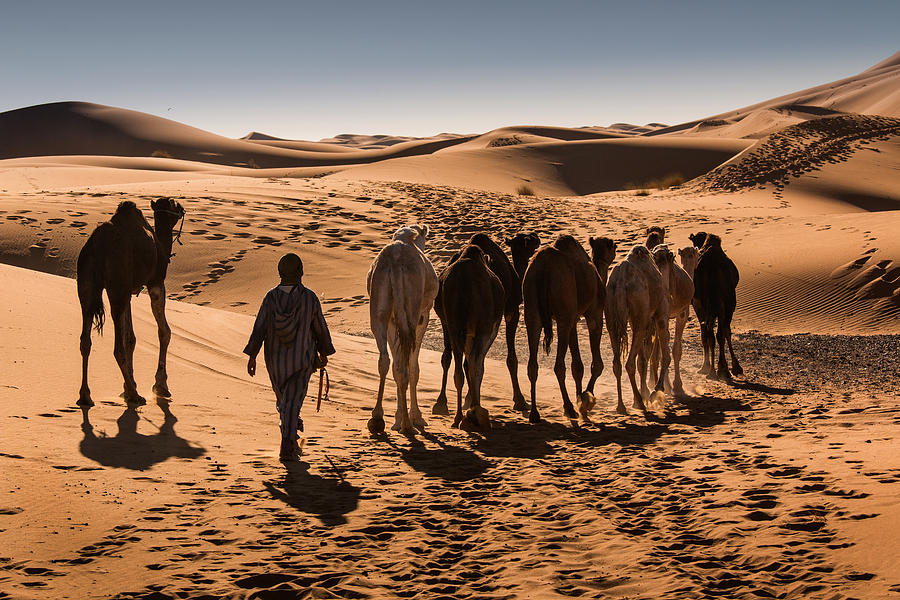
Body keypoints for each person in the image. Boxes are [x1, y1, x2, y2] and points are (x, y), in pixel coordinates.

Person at [244, 253, 335, 460]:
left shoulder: (270, 297)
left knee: (286, 400)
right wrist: (324, 351)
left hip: (275, 361)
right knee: (293, 401)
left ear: (280, 273)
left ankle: (291, 434)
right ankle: (287, 445)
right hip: (301, 358)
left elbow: (259, 327)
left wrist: (252, 355)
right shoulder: (309, 297)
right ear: (300, 272)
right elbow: (319, 327)